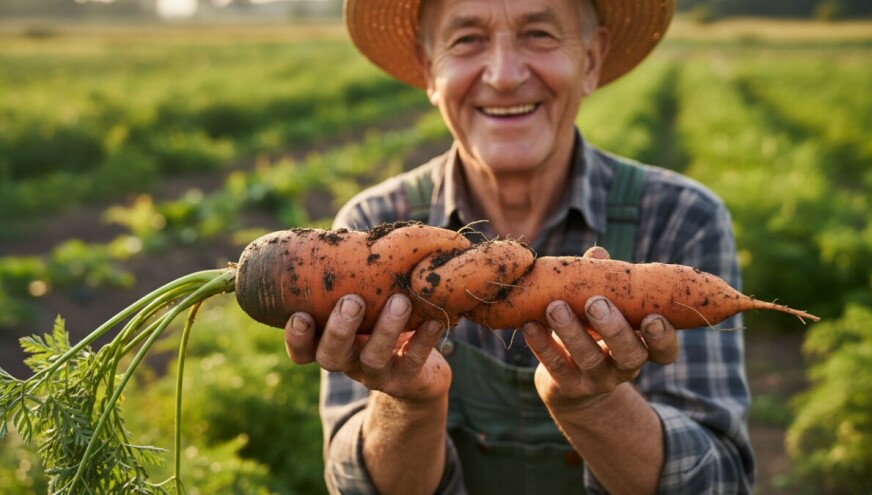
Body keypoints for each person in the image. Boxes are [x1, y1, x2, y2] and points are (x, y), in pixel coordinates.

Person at [284, 0, 756, 493]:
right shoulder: (367, 232)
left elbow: (722, 481)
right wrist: (407, 404)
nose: (505, 75)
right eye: (467, 39)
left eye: (540, 34)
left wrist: (596, 404)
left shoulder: (681, 218)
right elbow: (351, 486)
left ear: (590, 61)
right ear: (429, 70)